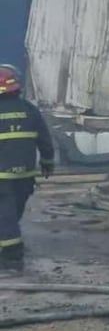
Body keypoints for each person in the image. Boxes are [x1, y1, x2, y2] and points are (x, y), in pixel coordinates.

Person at [0, 64, 55, 274]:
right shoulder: (29, 109)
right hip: (25, 176)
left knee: (5, 217)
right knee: (11, 215)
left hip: (2, 178)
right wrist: (47, 162)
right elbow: (45, 139)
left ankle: (13, 259)